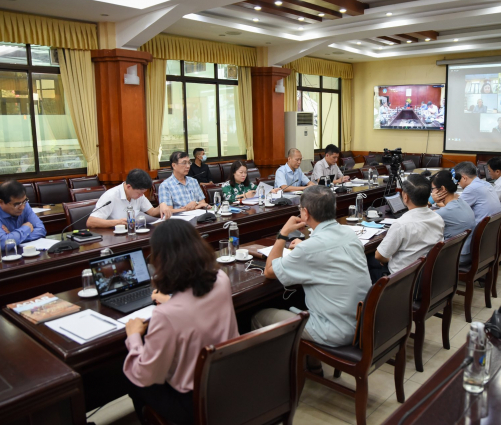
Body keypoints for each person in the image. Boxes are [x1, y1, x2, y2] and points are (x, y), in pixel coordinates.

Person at [123, 219, 238, 424]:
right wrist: (172, 299)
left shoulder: (166, 315)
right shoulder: (221, 278)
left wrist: (133, 337)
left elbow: (146, 374)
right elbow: (194, 304)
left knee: (131, 375)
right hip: (228, 381)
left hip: (192, 403)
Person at [252, 186, 370, 357]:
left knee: (259, 317)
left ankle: (281, 376)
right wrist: (304, 245)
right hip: (360, 323)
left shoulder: (309, 249)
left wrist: (284, 233)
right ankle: (312, 366)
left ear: (305, 213)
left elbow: (269, 271)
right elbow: (324, 251)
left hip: (334, 331)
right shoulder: (348, 233)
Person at [370, 175, 444, 283]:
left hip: (402, 280)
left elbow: (379, 256)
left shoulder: (401, 224)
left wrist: (388, 259)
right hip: (427, 275)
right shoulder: (438, 218)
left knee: (368, 261)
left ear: (405, 197)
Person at [87, 169, 172, 228]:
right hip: (113, 236)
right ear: (128, 187)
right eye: (139, 193)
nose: (141, 195)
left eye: (143, 193)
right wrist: (117, 222)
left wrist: (162, 205)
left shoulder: (139, 194)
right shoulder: (110, 196)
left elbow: (152, 212)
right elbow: (91, 222)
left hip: (132, 232)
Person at [0, 180, 46, 249]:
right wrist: (26, 229)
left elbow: (41, 230)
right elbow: (2, 243)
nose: (22, 207)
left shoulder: (24, 204)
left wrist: (11, 236)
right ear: (1, 202)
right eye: (17, 204)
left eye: (25, 201)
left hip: (16, 252)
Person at [431, 171, 475, 264]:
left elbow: (419, 219)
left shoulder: (445, 212)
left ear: (442, 189)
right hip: (468, 252)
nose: (432, 192)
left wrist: (429, 202)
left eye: (433, 189)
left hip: (458, 257)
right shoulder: (462, 202)